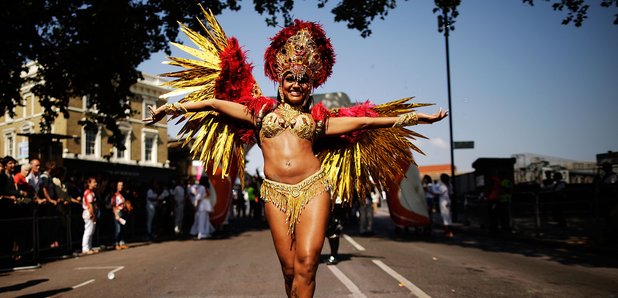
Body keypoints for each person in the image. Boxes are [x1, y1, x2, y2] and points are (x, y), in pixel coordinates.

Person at [144, 13, 447, 297]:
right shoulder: (259, 113)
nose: (296, 85)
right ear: (280, 81)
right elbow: (213, 103)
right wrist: (167, 109)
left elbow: (366, 121)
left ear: (311, 85)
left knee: (307, 263)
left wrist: (418, 119)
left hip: (314, 188)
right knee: (289, 270)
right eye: (291, 78)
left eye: (303, 81)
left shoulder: (318, 120)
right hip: (274, 193)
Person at [81, 177, 98, 254]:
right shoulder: (88, 193)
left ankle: (89, 247)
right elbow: (90, 205)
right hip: (88, 212)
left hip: (90, 212)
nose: (96, 183)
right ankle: (85, 248)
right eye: (94, 182)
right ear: (89, 183)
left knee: (91, 231)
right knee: (88, 231)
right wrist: (93, 214)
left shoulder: (91, 192)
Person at [112, 181, 129, 249]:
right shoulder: (114, 195)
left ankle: (122, 243)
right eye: (119, 185)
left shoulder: (123, 195)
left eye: (122, 185)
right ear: (116, 186)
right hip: (117, 212)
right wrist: (116, 215)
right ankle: (116, 243)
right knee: (118, 229)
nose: (121, 187)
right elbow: (113, 206)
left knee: (122, 229)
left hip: (123, 212)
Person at [436, 173, 454, 238]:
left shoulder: (442, 186)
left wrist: (430, 192)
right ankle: (449, 232)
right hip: (448, 201)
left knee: (445, 218)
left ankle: (448, 232)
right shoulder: (450, 185)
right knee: (449, 217)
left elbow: (437, 193)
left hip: (443, 202)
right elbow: (451, 194)